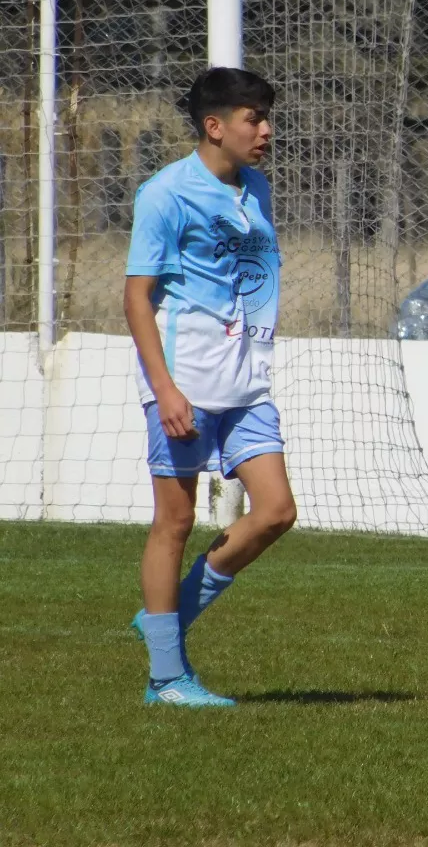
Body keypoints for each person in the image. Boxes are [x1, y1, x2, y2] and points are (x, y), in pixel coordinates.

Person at [123, 67, 296, 707]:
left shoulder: (257, 188)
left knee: (276, 512)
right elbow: (137, 298)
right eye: (255, 119)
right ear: (215, 126)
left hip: (246, 381)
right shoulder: (165, 193)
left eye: (267, 117)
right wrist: (165, 390)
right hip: (186, 381)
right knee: (176, 520)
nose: (266, 130)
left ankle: (164, 617)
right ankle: (167, 678)